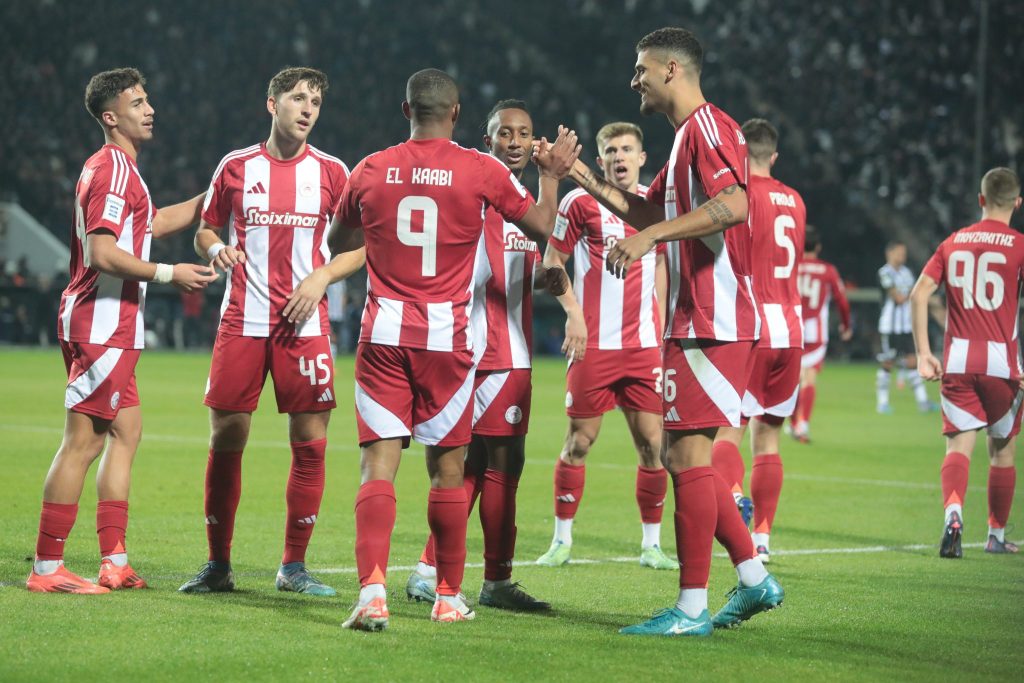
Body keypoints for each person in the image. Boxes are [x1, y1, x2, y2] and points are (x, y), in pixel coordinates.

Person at [327, 69, 579, 630]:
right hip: (448, 339)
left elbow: (337, 241)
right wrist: (551, 176)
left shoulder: (370, 168)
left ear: (406, 109)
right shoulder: (478, 169)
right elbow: (542, 225)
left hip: (383, 335)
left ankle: (371, 594)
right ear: (458, 114)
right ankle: (447, 596)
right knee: (449, 471)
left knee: (377, 467)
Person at [561, 27, 783, 636]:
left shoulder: (709, 128)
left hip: (715, 320)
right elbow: (641, 210)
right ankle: (754, 578)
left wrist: (653, 238)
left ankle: (691, 609)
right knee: (687, 458)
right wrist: (575, 170)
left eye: (640, 69)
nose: (633, 79)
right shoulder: (686, 136)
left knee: (683, 458)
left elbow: (735, 204)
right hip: (700, 320)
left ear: (669, 70)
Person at [27, 67, 217, 593]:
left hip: (113, 325)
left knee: (126, 432)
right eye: (137, 104)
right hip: (101, 324)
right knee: (82, 443)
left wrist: (213, 196)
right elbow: (102, 252)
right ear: (111, 118)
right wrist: (169, 273)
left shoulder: (121, 169)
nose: (149, 109)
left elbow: (147, 225)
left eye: (147, 100)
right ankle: (47, 568)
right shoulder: (111, 169)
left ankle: (114, 560)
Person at [179, 67, 363, 596]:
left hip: (305, 327)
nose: (307, 109)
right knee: (227, 437)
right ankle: (218, 565)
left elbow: (360, 247)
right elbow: (205, 229)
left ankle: (294, 567)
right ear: (272, 103)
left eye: (316, 102)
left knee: (310, 443)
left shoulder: (332, 172)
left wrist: (322, 276)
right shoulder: (236, 166)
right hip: (242, 320)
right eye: (298, 98)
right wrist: (217, 248)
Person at [405, 99, 567, 611]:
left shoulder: (516, 200)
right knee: (493, 463)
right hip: (488, 348)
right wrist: (552, 179)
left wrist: (541, 279)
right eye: (505, 133)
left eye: (524, 132)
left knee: (480, 463)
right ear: (487, 140)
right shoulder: (481, 194)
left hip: (500, 347)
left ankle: (434, 571)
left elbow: (512, 267)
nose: (515, 141)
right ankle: (484, 579)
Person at [532, 121, 674, 571]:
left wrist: (663, 330)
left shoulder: (654, 207)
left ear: (642, 157)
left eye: (627, 149)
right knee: (579, 441)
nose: (619, 157)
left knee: (653, 445)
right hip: (594, 346)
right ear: (599, 161)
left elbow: (662, 269)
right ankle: (561, 540)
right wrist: (573, 314)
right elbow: (552, 261)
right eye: (611, 151)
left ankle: (652, 546)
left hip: (644, 347)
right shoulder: (579, 202)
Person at [910, 167, 1024, 558]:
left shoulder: (953, 241)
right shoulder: (1019, 245)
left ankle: (954, 514)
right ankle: (995, 536)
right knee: (1002, 451)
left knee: (958, 447)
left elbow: (919, 294)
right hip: (1002, 365)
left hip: (957, 360)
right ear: (1017, 203)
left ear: (981, 200)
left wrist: (924, 353)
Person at [710, 118, 806, 563]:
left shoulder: (741, 197)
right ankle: (763, 538)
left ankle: (733, 496)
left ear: (740, 153)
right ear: (775, 156)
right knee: (768, 440)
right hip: (791, 329)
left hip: (751, 326)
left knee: (725, 432)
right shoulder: (796, 201)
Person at [791, 226, 852, 442]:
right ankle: (803, 425)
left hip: (791, 327)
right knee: (809, 377)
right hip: (815, 332)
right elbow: (842, 301)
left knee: (793, 379)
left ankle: (792, 423)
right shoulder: (828, 270)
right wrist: (846, 325)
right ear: (818, 247)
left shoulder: (791, 266)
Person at [877, 241, 937, 414]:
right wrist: (916, 294)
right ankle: (882, 403)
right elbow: (898, 297)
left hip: (906, 325)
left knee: (912, 361)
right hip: (890, 327)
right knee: (888, 362)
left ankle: (923, 401)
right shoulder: (884, 272)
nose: (902, 256)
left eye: (904, 253)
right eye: (899, 253)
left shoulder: (907, 272)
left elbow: (913, 295)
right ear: (890, 253)